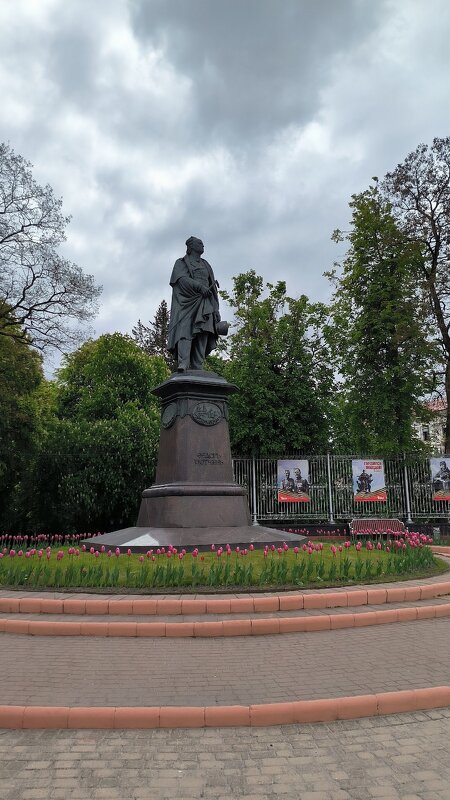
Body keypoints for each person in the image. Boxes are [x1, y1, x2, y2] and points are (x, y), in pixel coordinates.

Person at [168, 236, 222, 371]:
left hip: (205, 301)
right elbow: (181, 280)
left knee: (204, 330)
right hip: (187, 301)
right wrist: (199, 288)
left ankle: (198, 364)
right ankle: (184, 362)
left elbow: (213, 288)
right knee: (184, 330)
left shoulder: (206, 264)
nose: (202, 245)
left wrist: (216, 309)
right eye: (199, 243)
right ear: (191, 247)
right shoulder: (181, 263)